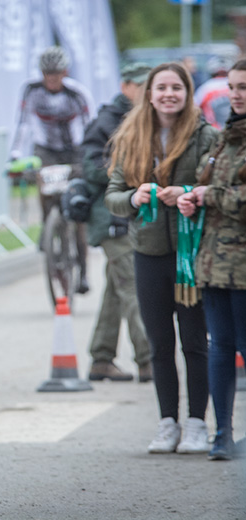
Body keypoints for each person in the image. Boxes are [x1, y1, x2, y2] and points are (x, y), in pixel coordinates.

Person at [104, 62, 218, 455]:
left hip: (191, 254)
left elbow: (216, 188)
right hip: (147, 253)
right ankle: (167, 422)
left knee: (195, 342)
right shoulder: (131, 135)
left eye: (176, 88)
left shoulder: (206, 135)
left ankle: (198, 423)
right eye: (162, 87)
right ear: (149, 94)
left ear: (188, 93)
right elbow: (113, 197)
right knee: (159, 344)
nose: (169, 94)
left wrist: (188, 193)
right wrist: (134, 197)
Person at [178, 58, 246, 461]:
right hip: (214, 262)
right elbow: (209, 185)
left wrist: (211, 196)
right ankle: (223, 434)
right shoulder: (225, 137)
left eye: (244, 88)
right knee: (219, 347)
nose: (236, 95)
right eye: (233, 87)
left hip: (242, 265)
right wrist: (193, 199)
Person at [82, 63, 153, 383]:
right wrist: (131, 170)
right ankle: (150, 361)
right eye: (141, 85)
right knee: (134, 288)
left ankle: (101, 358)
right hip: (110, 217)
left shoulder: (148, 117)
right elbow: (90, 167)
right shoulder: (107, 121)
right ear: (125, 86)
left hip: (132, 217)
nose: (146, 92)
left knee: (116, 288)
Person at [10, 45, 95, 294]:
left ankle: (83, 272)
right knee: (43, 183)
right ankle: (47, 225)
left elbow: (89, 126)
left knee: (76, 205)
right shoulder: (31, 90)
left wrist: (90, 157)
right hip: (45, 148)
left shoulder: (76, 93)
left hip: (74, 150)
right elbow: (22, 123)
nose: (52, 78)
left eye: (56, 73)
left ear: (64, 72)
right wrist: (15, 155)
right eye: (47, 73)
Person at [194, 55, 235, 130]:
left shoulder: (205, 88)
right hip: (234, 128)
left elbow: (194, 108)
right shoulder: (236, 85)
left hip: (213, 130)